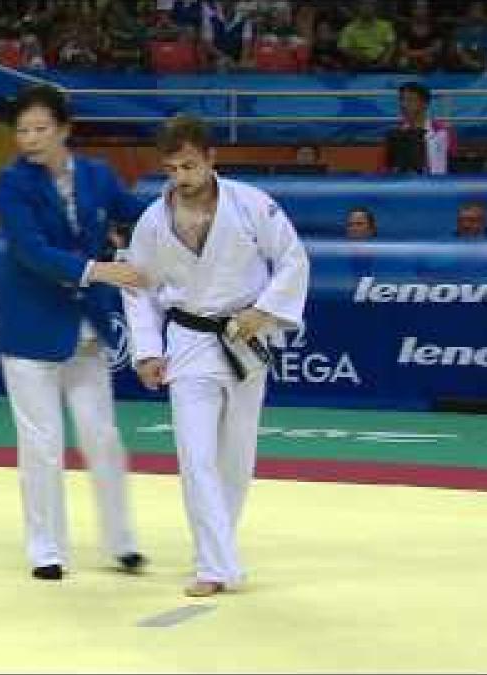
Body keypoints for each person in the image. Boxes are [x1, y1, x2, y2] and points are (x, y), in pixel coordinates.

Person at [121, 114, 309, 597]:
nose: (180, 178)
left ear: (210, 159)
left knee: (236, 458)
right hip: (188, 340)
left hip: (246, 340)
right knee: (195, 455)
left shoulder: (252, 205)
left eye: (188, 166)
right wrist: (146, 350)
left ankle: (215, 553)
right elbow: (138, 287)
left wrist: (264, 310)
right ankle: (214, 564)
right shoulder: (152, 220)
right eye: (171, 169)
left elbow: (293, 259)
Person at [0, 84, 149, 582]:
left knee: (102, 437)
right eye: (22, 131)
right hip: (30, 329)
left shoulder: (99, 176)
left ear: (64, 129)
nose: (31, 139)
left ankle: (121, 541)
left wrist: (187, 208)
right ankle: (45, 549)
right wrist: (100, 271)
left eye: (40, 129)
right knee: (41, 442)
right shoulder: (11, 185)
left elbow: (139, 214)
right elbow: (32, 251)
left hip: (87, 329)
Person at [384, 81, 451, 175]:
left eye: (410, 100)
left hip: (437, 186)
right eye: (402, 100)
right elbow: (387, 168)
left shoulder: (442, 132)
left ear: (425, 104)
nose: (404, 105)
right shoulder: (394, 134)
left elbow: (455, 165)